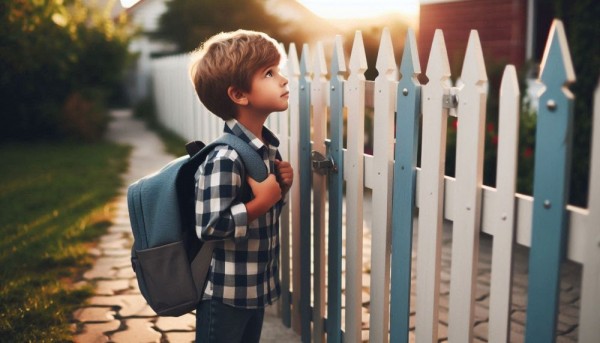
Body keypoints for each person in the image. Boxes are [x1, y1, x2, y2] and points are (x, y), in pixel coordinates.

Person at [188, 29, 294, 343]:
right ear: (239, 95)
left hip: (254, 287)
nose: (283, 79)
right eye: (269, 73)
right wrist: (263, 201)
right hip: (226, 294)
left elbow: (262, 212)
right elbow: (209, 226)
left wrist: (280, 190)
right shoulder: (226, 156)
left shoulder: (266, 149)